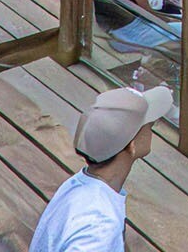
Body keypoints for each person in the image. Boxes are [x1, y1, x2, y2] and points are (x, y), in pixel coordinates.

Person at [26, 83, 176, 252]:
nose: (151, 131)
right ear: (131, 145)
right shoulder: (101, 226)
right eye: (149, 126)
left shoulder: (78, 185)